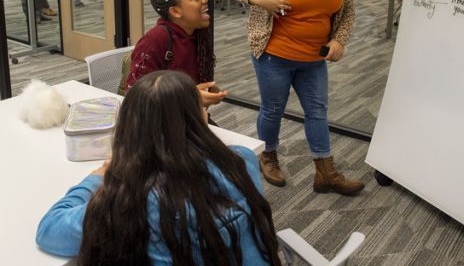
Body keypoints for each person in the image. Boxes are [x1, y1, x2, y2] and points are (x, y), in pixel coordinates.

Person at [36, 70, 282, 265]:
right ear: (197, 119)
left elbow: (49, 231)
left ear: (130, 128)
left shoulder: (133, 198)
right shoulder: (242, 160)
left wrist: (97, 178)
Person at [226, 0, 364, 196]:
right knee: (273, 109)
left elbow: (348, 12)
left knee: (317, 111)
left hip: (314, 57)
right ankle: (269, 155)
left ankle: (325, 172)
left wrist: (339, 40)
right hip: (275, 52)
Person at [125, 0, 227, 108]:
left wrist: (205, 90)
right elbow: (136, 97)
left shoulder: (198, 35)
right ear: (175, 11)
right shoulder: (155, 40)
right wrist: (190, 97)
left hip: (187, 117)